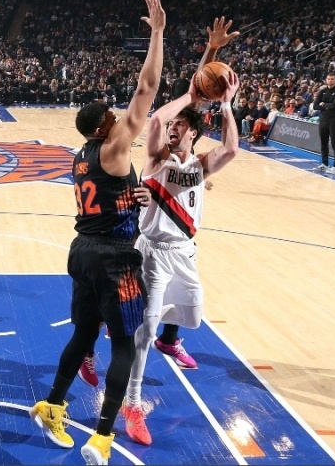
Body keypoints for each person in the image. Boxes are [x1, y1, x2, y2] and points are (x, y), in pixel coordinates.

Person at [30, 0, 165, 466]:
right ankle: (103, 437)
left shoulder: (81, 156)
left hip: (83, 251)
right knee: (124, 344)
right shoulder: (114, 146)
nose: (117, 115)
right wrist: (157, 33)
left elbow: (111, 194)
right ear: (103, 126)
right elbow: (147, 89)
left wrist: (134, 194)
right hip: (113, 255)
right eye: (111, 114)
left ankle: (53, 405)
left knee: (84, 334)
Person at [121, 31, 241, 448]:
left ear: (193, 134)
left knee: (191, 312)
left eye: (180, 126)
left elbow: (232, 148)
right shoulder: (157, 158)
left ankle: (170, 341)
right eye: (172, 125)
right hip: (152, 254)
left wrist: (226, 106)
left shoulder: (202, 165)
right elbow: (159, 118)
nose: (173, 128)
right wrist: (196, 85)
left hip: (185, 253)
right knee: (145, 327)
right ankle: (132, 404)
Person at [313, 72, 335, 173]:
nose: (330, 80)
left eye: (332, 79)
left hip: (334, 119)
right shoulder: (322, 91)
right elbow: (315, 106)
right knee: (323, 142)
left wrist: (323, 104)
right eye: (329, 79)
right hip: (323, 119)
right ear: (326, 80)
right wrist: (327, 105)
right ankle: (324, 164)